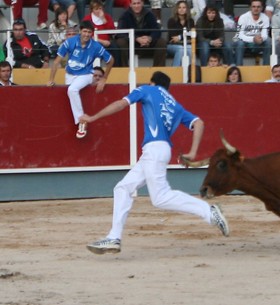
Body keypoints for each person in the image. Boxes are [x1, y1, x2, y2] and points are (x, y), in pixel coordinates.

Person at [81, 71, 230, 255]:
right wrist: (192, 152)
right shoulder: (175, 104)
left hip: (154, 149)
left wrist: (93, 118)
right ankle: (114, 237)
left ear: (152, 83)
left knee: (160, 197)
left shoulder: (146, 89)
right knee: (123, 188)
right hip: (158, 150)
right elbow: (199, 123)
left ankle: (208, 211)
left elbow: (121, 104)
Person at [47, 21, 114, 139]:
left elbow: (110, 60)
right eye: (84, 31)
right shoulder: (70, 42)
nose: (87, 34)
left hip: (86, 75)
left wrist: (104, 78)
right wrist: (51, 79)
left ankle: (82, 121)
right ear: (80, 31)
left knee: (72, 90)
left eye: (89, 32)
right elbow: (57, 61)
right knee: (72, 92)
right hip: (69, 74)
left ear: (92, 34)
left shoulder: (96, 46)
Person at [116, 0, 167, 67]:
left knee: (161, 42)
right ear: (130, 5)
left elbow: (157, 30)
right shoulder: (125, 15)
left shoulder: (149, 14)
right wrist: (136, 38)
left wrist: (150, 38)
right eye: (134, 4)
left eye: (138, 3)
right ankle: (124, 69)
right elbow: (121, 32)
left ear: (142, 3)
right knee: (120, 42)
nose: (136, 6)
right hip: (131, 43)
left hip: (147, 43)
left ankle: (158, 71)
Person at [83, 0, 121, 67]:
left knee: (115, 48)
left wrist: (103, 19)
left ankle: (116, 69)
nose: (98, 11)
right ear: (92, 10)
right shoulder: (87, 19)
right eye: (96, 9)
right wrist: (102, 41)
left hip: (107, 42)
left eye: (100, 8)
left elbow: (112, 31)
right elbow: (86, 35)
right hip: (93, 42)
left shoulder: (107, 17)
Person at [234, 0, 271, 66]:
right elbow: (240, 35)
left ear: (262, 8)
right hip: (245, 43)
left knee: (268, 41)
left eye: (258, 7)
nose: (256, 9)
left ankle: (266, 67)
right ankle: (239, 68)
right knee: (240, 43)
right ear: (250, 8)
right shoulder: (243, 17)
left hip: (258, 43)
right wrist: (253, 39)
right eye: (254, 7)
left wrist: (261, 39)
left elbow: (265, 34)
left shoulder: (265, 18)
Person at [166, 0, 194, 67]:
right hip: (172, 45)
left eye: (184, 7)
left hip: (186, 45)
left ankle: (191, 72)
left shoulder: (191, 21)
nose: (181, 9)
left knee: (190, 48)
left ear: (187, 9)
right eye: (179, 7)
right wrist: (186, 35)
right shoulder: (171, 20)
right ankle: (175, 71)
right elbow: (173, 38)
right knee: (181, 49)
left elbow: (192, 34)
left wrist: (180, 37)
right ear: (176, 9)